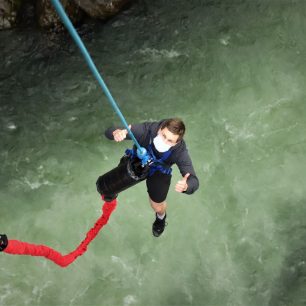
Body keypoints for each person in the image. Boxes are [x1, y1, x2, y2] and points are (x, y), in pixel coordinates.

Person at [104, 118, 199, 237]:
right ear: (160, 129)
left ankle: (161, 218)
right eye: (163, 135)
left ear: (177, 143)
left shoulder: (180, 152)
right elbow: (109, 131)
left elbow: (194, 181)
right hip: (135, 160)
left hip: (158, 171)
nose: (164, 141)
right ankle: (112, 192)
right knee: (112, 184)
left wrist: (187, 186)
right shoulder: (145, 130)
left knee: (157, 206)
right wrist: (116, 133)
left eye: (170, 141)